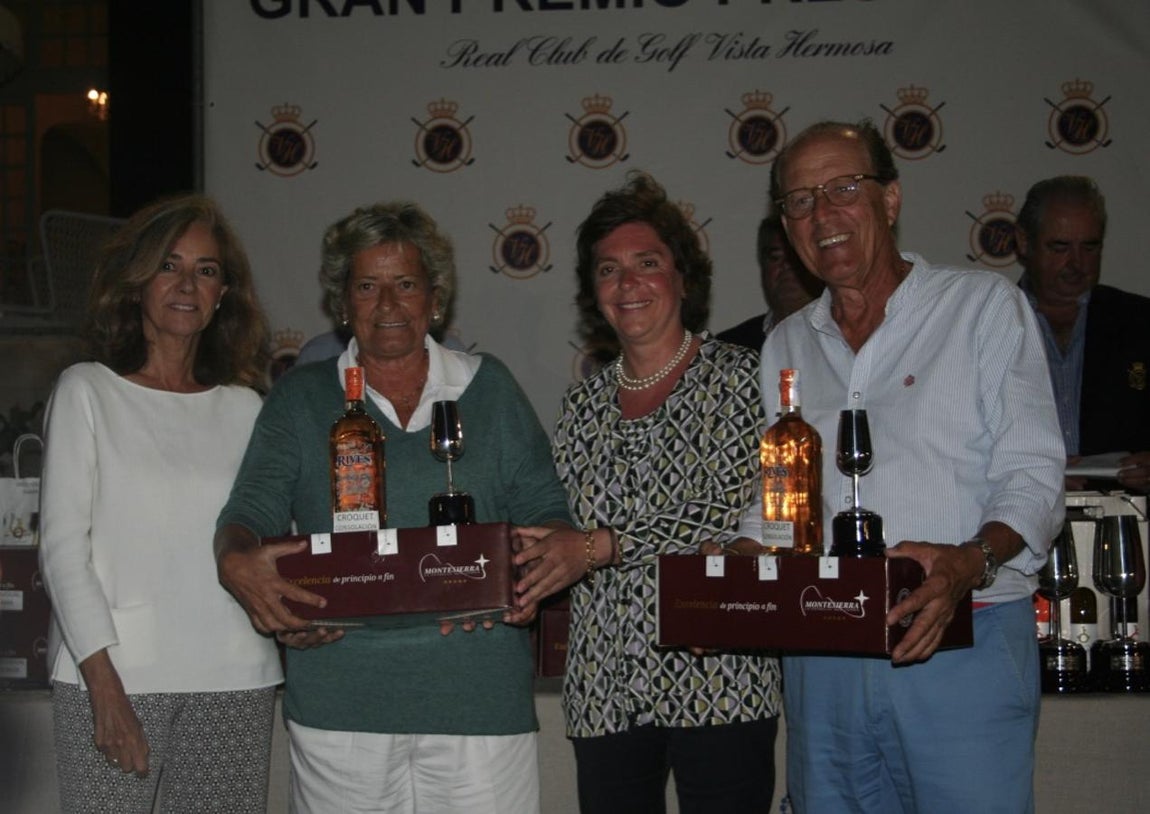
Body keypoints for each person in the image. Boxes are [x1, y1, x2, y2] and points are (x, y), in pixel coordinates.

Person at [727, 121, 1065, 813]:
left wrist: (968, 561)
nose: (823, 214)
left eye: (844, 188)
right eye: (799, 200)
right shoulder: (785, 344)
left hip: (960, 639)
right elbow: (783, 505)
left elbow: (1033, 477)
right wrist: (734, 566)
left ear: (891, 199)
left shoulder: (981, 308)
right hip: (823, 654)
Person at [213, 201, 572, 814]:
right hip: (341, 703)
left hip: (476, 698)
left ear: (435, 297)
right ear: (342, 302)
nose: (387, 304)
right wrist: (238, 563)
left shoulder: (490, 389)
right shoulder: (300, 399)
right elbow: (248, 515)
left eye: (405, 283)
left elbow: (548, 514)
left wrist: (531, 577)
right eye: (367, 285)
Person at [513, 172, 782, 813]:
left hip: (720, 675)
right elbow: (562, 526)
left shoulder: (744, 378)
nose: (627, 284)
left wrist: (605, 545)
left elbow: (726, 507)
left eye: (647, 263)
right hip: (606, 685)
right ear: (593, 292)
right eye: (608, 270)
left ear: (684, 279)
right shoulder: (581, 405)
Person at [38, 194, 283, 812]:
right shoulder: (87, 391)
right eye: (169, 265)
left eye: (205, 270)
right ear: (138, 281)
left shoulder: (247, 407)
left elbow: (273, 544)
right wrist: (105, 690)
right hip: (116, 678)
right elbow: (63, 552)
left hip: (234, 681)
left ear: (223, 293)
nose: (186, 284)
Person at [1015, 175, 1150, 493]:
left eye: (1090, 247)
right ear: (1023, 242)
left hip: (1128, 522)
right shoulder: (984, 324)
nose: (1076, 263)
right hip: (1020, 524)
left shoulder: (1141, 321)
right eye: (1060, 247)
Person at [716, 213, 824, 351]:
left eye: (795, 256)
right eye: (775, 257)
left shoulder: (842, 337)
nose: (787, 265)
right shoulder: (730, 346)